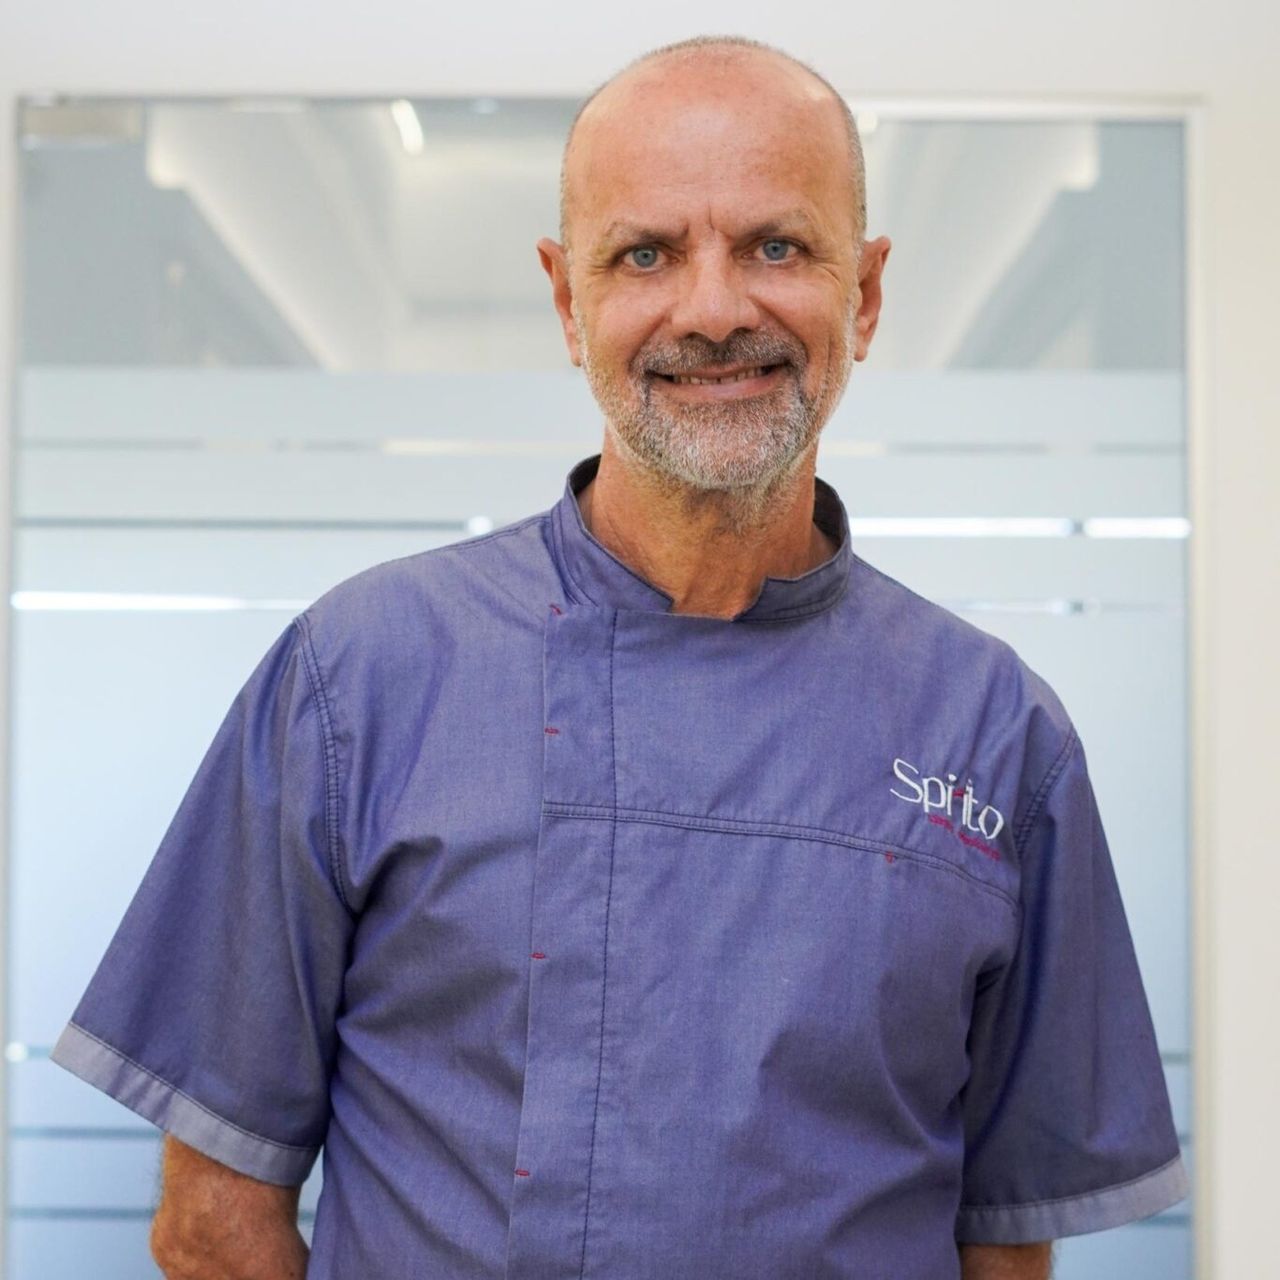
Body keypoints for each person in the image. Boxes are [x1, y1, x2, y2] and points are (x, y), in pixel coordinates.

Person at [51, 34, 1188, 1280]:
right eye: (644, 254)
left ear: (863, 294)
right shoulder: (358, 678)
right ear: (565, 299)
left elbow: (1004, 1245)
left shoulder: (996, 734)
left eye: (775, 246)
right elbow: (213, 1223)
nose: (712, 310)